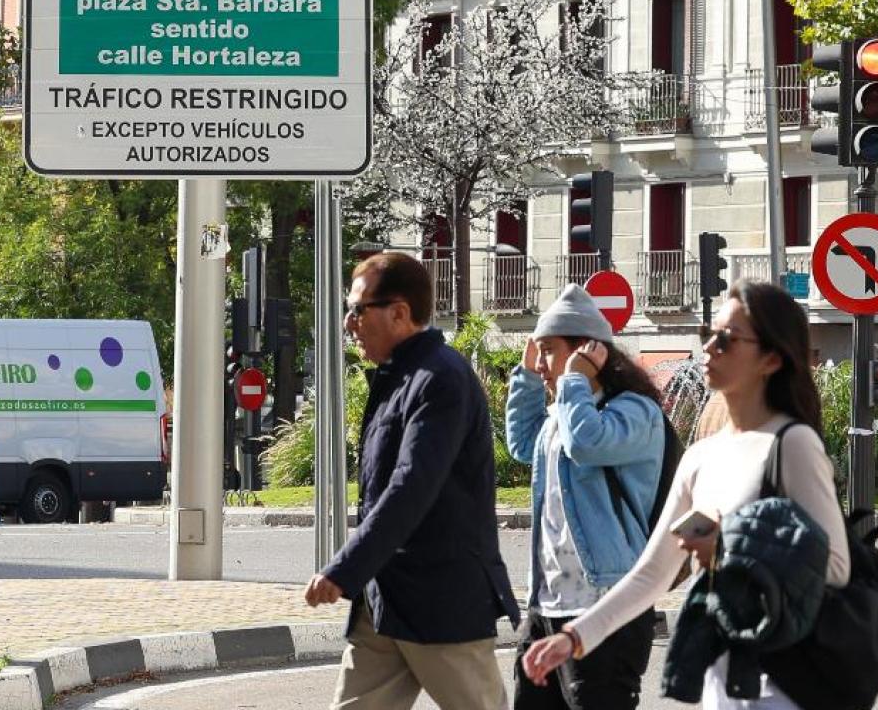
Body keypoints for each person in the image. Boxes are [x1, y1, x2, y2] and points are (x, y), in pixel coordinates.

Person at [520, 280, 850, 709]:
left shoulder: (792, 445)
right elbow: (650, 575)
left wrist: (728, 547)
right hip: (725, 673)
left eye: (728, 339)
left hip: (787, 681)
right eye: (707, 335)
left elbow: (837, 568)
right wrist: (574, 637)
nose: (710, 348)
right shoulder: (701, 456)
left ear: (771, 358)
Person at [305, 251, 519, 710]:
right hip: (385, 602)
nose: (349, 323)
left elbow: (411, 485)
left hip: (442, 603)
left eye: (358, 309)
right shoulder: (398, 378)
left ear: (399, 313)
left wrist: (345, 568)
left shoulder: (441, 378)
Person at [506, 285, 667, 710]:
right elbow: (523, 443)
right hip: (547, 604)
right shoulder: (562, 413)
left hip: (606, 605)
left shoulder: (634, 412)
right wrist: (525, 378)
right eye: (538, 352)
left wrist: (573, 378)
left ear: (590, 352)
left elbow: (588, 444)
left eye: (550, 351)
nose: (542, 364)